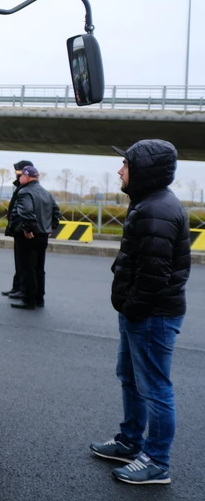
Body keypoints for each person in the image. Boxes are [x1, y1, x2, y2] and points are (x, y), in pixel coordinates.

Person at [89, 139, 190, 485]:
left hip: (152, 316)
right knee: (131, 379)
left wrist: (131, 308)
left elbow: (154, 276)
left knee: (155, 388)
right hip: (143, 314)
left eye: (126, 165)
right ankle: (131, 442)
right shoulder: (150, 204)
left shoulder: (156, 210)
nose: (120, 170)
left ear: (143, 171)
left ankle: (157, 462)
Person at [9, 165, 60, 309]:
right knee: (39, 268)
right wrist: (51, 228)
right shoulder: (45, 192)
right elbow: (56, 212)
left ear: (27, 176)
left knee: (27, 268)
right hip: (43, 235)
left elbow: (26, 211)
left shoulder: (25, 192)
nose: (19, 178)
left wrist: (27, 229)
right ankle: (39, 299)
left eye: (21, 176)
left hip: (29, 236)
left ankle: (28, 299)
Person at [2, 159, 34, 299]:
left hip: (22, 230)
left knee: (23, 262)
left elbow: (26, 211)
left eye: (18, 172)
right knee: (19, 261)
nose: (16, 174)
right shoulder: (21, 187)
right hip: (18, 230)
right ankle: (16, 287)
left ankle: (21, 289)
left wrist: (26, 228)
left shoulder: (26, 189)